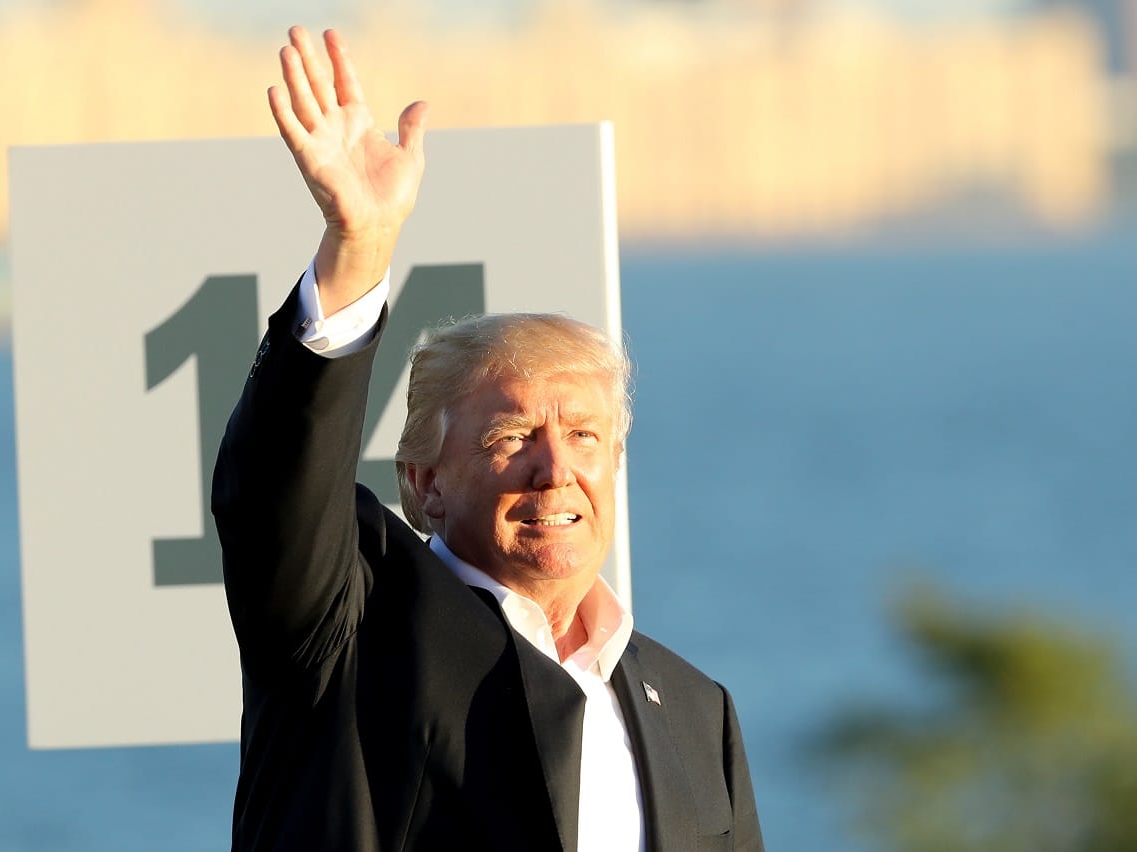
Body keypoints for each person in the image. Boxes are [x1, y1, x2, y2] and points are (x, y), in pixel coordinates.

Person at [212, 26, 763, 852]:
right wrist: (359, 247)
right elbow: (276, 494)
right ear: (425, 482)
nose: (555, 470)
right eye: (511, 438)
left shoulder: (694, 710)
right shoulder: (349, 629)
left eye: (584, 435)